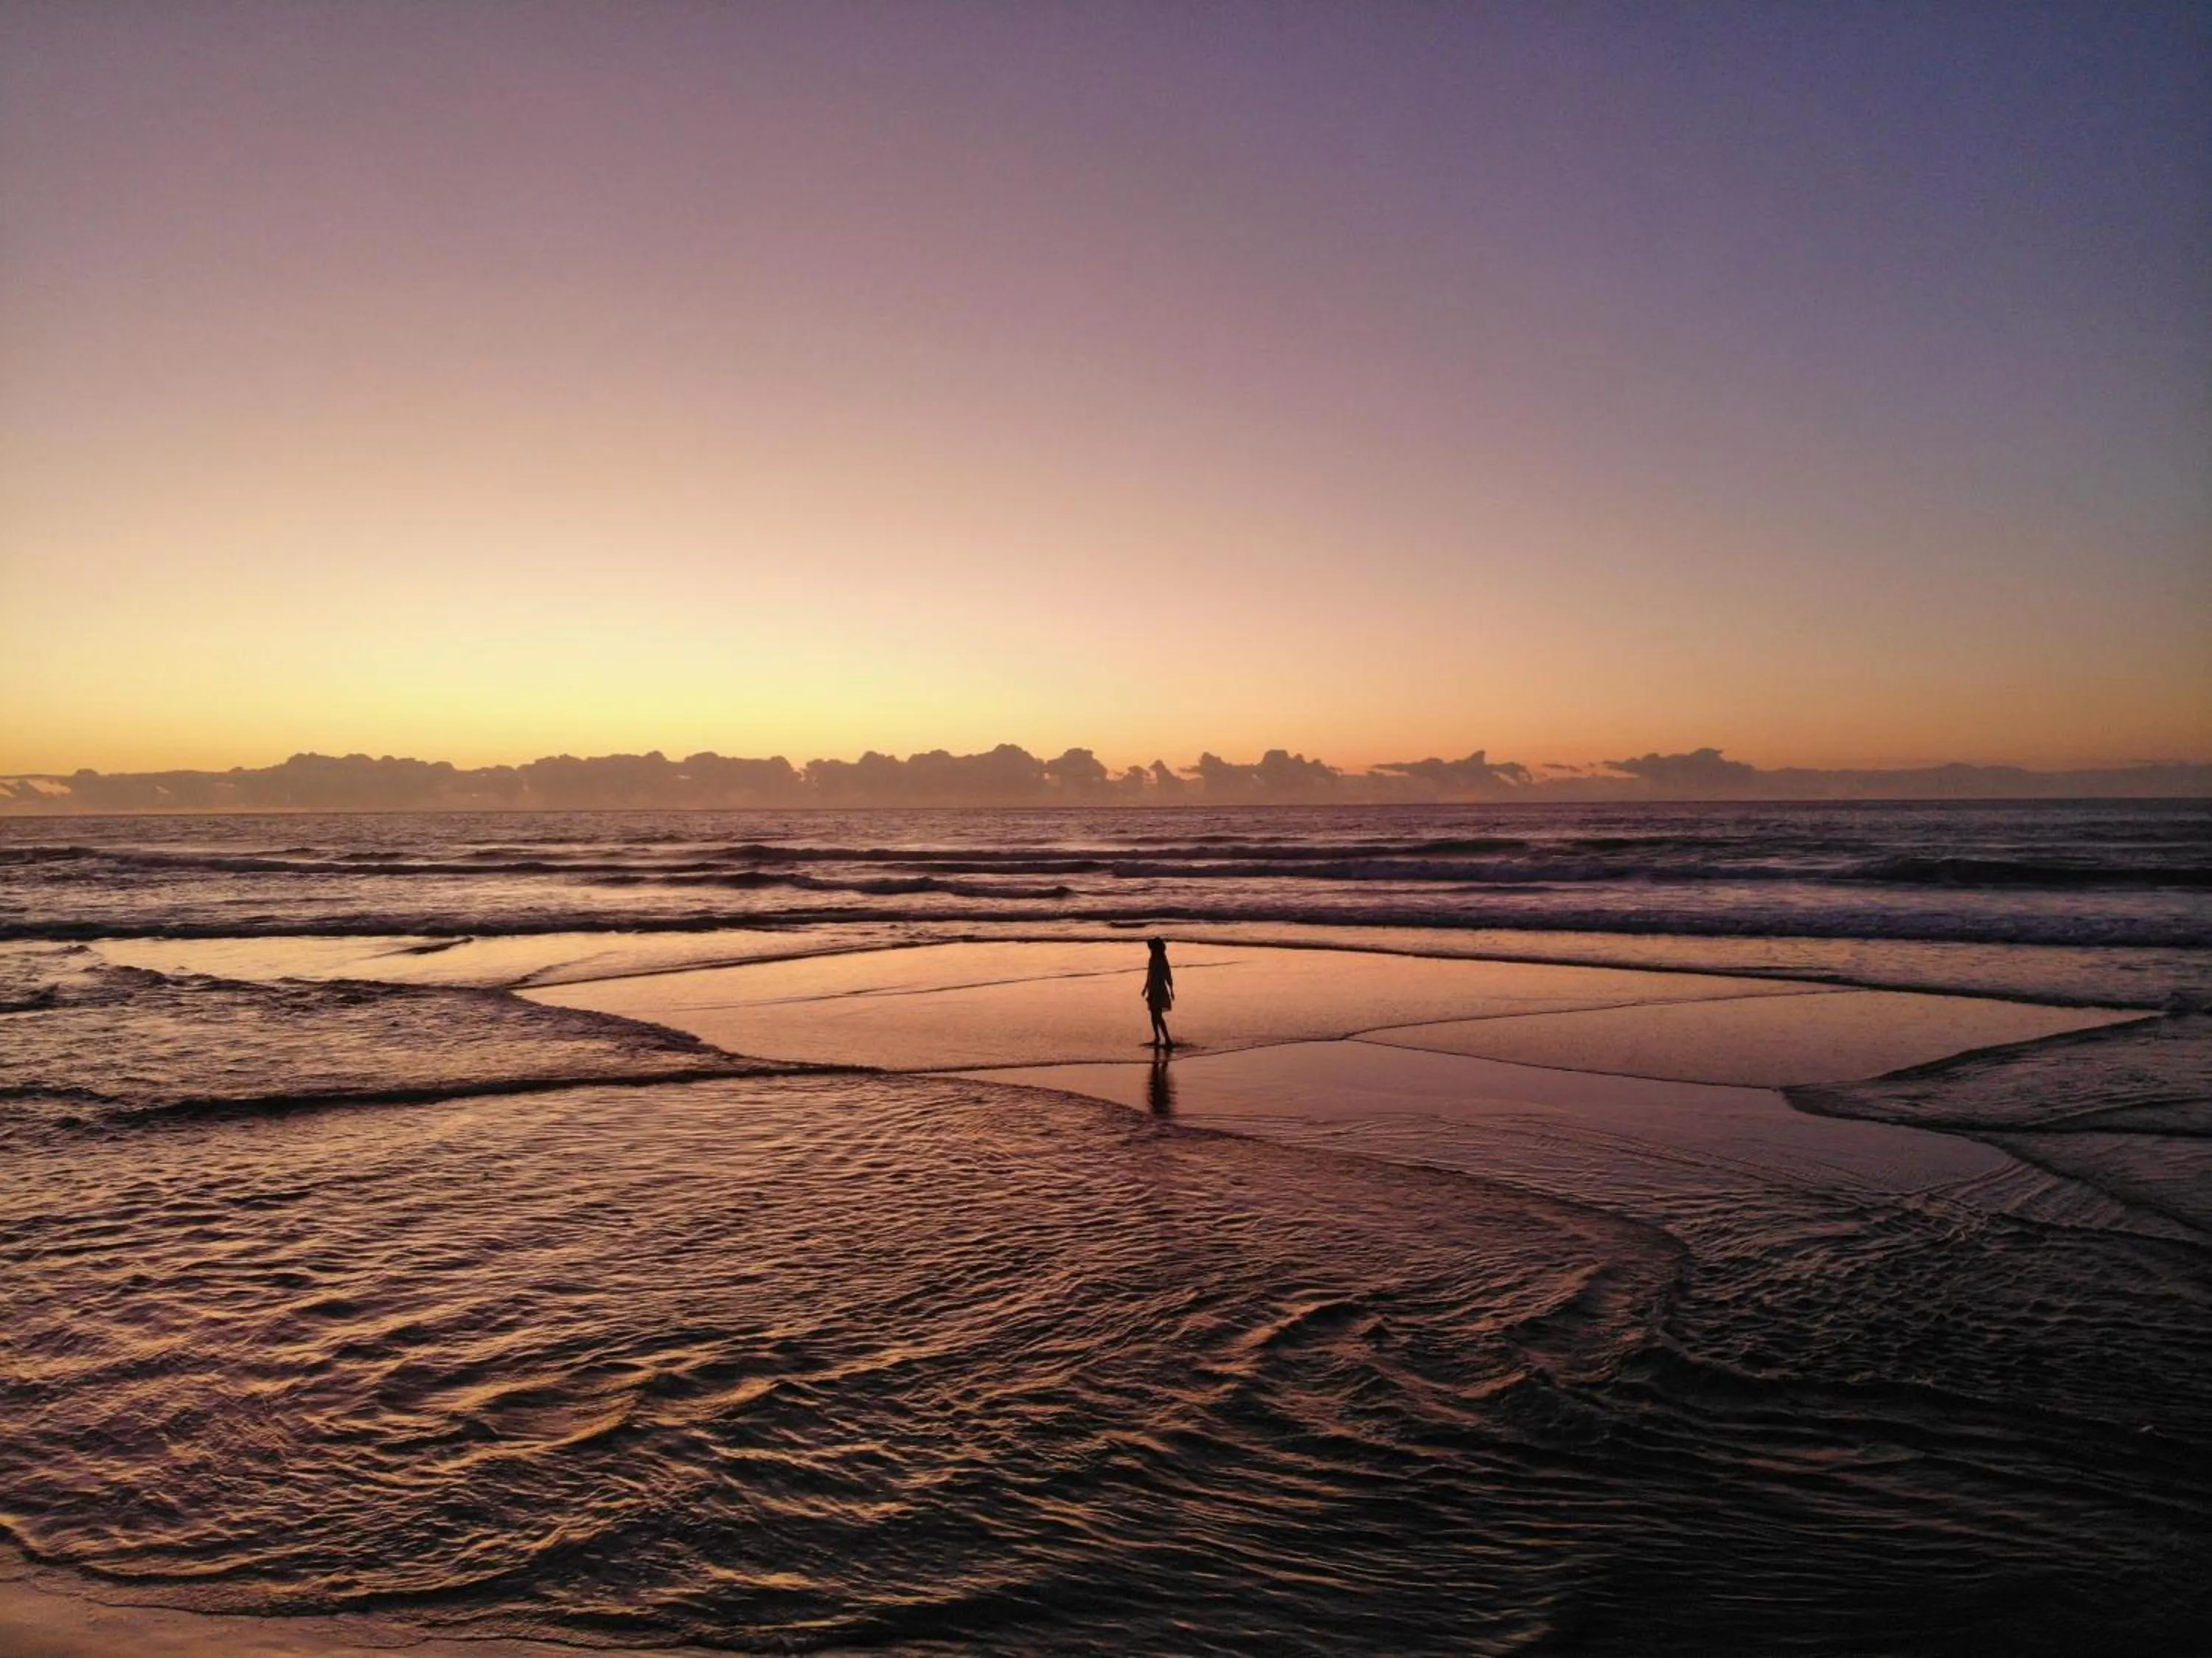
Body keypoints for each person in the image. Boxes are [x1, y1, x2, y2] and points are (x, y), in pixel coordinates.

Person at [1141, 936, 1175, 1050]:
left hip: (1160, 989)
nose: (1150, 949)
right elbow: (1149, 974)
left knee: (1158, 1016)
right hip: (1153, 988)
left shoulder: (1162, 959)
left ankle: (1167, 1039)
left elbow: (1168, 975)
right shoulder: (1152, 958)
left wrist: (1171, 990)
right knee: (1153, 1015)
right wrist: (1145, 988)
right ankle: (1157, 1038)